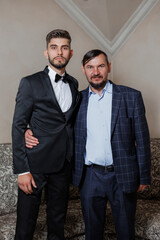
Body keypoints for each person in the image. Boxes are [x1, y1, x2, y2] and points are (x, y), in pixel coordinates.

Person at [25, 49, 151, 240]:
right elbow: (58, 126)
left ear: (108, 67)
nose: (96, 71)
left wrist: (144, 175)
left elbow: (142, 139)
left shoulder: (130, 96)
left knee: (126, 232)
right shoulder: (78, 100)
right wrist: (28, 130)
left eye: (100, 66)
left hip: (122, 175)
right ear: (83, 70)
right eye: (90, 67)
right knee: (92, 233)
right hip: (90, 176)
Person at [12, 29, 80, 240]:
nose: (59, 52)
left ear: (70, 53)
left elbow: (68, 123)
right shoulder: (29, 82)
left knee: (57, 225)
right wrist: (22, 170)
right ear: (46, 53)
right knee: (25, 227)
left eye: (64, 47)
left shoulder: (74, 84)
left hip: (62, 166)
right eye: (54, 47)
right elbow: (18, 125)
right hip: (34, 167)